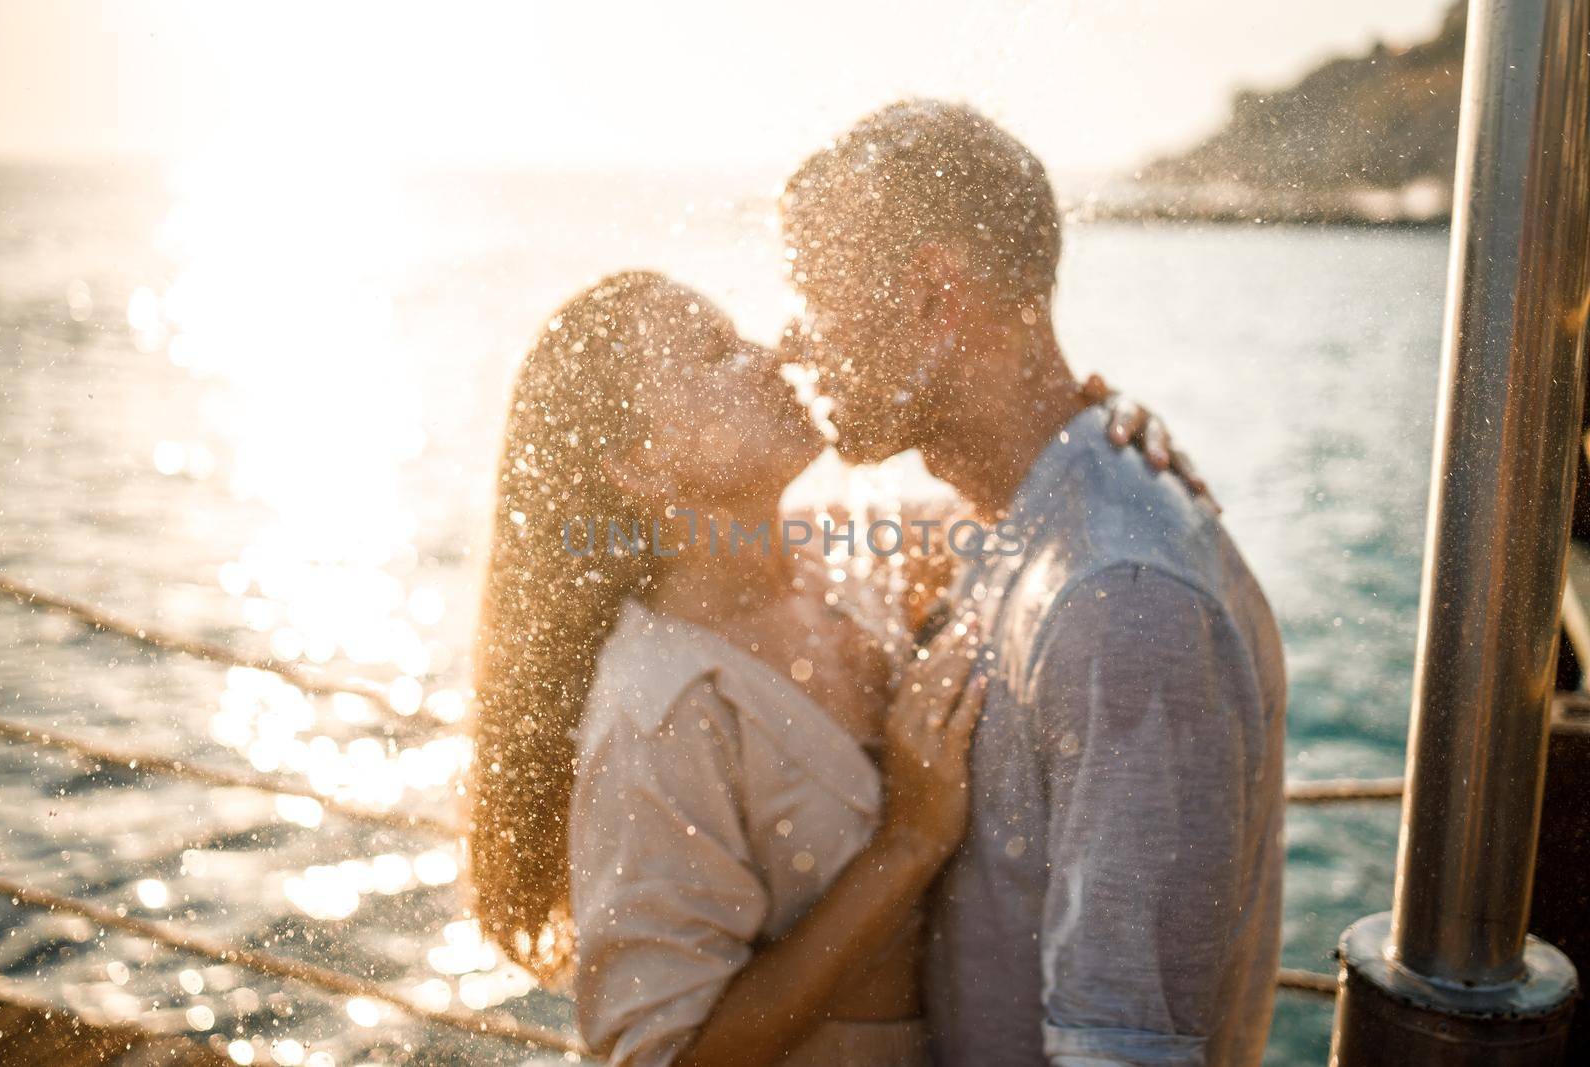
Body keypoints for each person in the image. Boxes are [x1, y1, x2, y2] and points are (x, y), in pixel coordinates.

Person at [466, 271, 1193, 1066]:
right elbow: (660, 1057)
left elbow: (1035, 510)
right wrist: (908, 841)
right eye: (714, 354)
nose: (772, 351)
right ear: (639, 466)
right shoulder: (663, 705)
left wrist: (1098, 438)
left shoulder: (850, 555)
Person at [780, 100, 1287, 1066]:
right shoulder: (1032, 515)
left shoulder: (1119, 597)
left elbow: (1123, 1054)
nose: (797, 340)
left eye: (818, 290)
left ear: (937, 296)